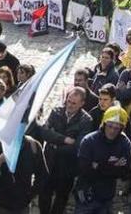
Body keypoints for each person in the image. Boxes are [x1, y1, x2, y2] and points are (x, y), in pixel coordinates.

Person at [33, 86, 93, 214]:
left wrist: (55, 144)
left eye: (73, 103)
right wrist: (64, 139)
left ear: (82, 104)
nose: (69, 105)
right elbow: (44, 132)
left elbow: (77, 146)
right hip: (49, 162)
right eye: (68, 101)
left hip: (67, 166)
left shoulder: (86, 121)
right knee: (44, 193)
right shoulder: (56, 111)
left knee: (61, 197)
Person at [73, 106, 131, 214]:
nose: (112, 131)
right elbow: (84, 169)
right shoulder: (89, 141)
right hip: (87, 192)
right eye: (110, 126)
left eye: (116, 128)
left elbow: (125, 171)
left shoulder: (124, 143)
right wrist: (112, 166)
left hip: (106, 196)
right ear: (104, 124)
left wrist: (98, 166)